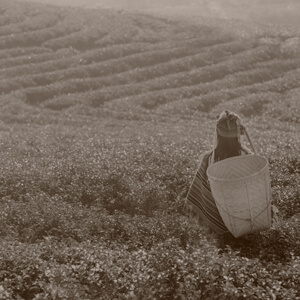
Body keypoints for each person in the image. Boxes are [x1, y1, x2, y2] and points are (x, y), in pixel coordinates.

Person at [186, 110, 252, 234]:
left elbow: (200, 192)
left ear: (218, 134)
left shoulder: (209, 159)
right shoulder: (248, 157)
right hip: (245, 218)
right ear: (238, 134)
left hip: (217, 214)